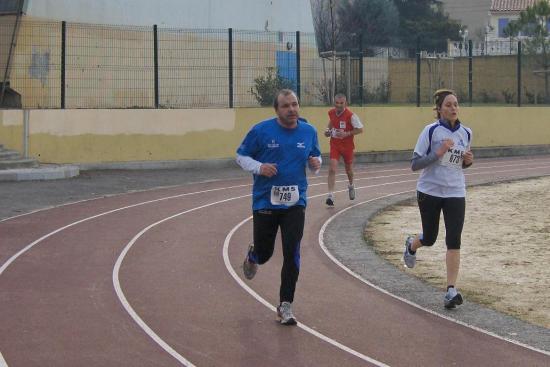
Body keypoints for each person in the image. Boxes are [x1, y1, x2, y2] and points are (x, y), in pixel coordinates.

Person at [236, 89, 322, 325]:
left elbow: (315, 157)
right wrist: (259, 167)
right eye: (286, 106)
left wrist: (316, 164)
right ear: (277, 110)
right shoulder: (261, 130)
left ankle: (286, 305)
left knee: (292, 251)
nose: (292, 109)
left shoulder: (309, 130)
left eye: (295, 104)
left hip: (296, 202)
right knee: (265, 254)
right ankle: (253, 255)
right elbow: (241, 156)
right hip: (266, 201)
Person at [403, 89, 474, 309]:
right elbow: (415, 164)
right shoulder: (431, 131)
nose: (453, 108)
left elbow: (460, 163)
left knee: (454, 240)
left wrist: (468, 161)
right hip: (429, 191)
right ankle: (411, 245)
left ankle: (451, 290)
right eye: (448, 105)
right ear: (440, 109)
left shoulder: (466, 133)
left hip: (455, 192)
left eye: (456, 104)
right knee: (431, 237)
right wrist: (439, 152)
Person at [323, 93, 364, 206]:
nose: (339, 105)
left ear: (345, 103)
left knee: (349, 171)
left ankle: (351, 185)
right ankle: (330, 195)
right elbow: (331, 122)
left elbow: (360, 129)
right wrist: (327, 130)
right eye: (337, 103)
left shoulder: (351, 115)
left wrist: (347, 133)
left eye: (341, 103)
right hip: (335, 145)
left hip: (347, 147)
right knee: (332, 168)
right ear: (334, 103)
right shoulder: (331, 112)